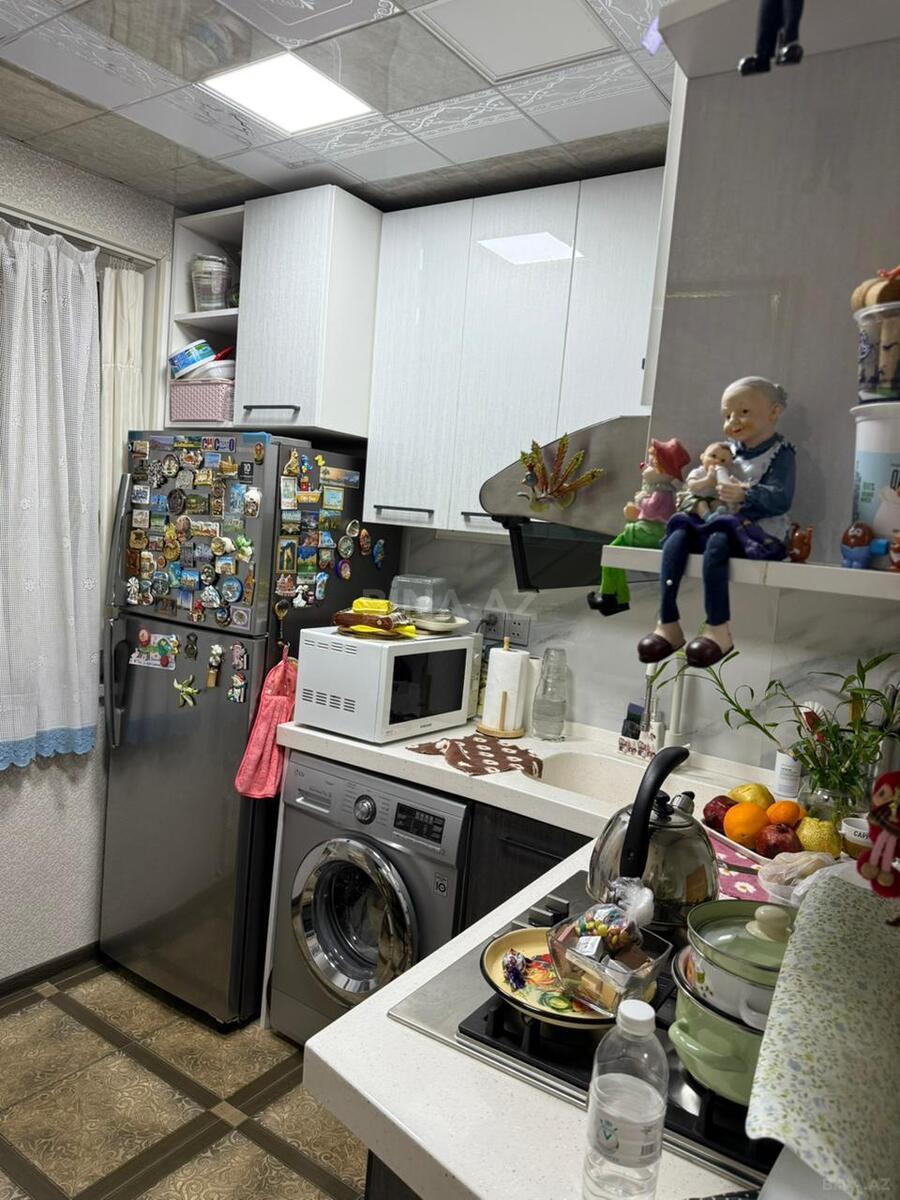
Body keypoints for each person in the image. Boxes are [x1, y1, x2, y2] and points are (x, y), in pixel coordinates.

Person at [638, 377, 796, 668]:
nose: (733, 421)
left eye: (744, 412)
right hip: (717, 519)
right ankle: (667, 622)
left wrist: (746, 494)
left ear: (774, 412)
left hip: (753, 531)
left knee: (717, 543)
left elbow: (781, 497)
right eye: (727, 415)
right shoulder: (724, 452)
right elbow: (697, 484)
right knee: (678, 534)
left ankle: (718, 628)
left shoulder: (780, 453)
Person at [591, 438, 691, 617]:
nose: (644, 467)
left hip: (651, 534)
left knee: (614, 552)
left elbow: (653, 513)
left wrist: (636, 510)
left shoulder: (662, 493)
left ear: (662, 471)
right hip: (648, 531)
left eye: (650, 464)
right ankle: (614, 597)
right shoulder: (657, 491)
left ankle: (612, 597)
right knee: (614, 554)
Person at [677, 442, 738, 519]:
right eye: (713, 456)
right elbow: (692, 486)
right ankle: (708, 517)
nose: (717, 461)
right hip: (694, 497)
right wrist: (707, 481)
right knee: (702, 504)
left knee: (718, 503)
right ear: (702, 457)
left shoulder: (721, 476)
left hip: (711, 499)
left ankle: (719, 514)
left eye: (723, 461)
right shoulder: (698, 472)